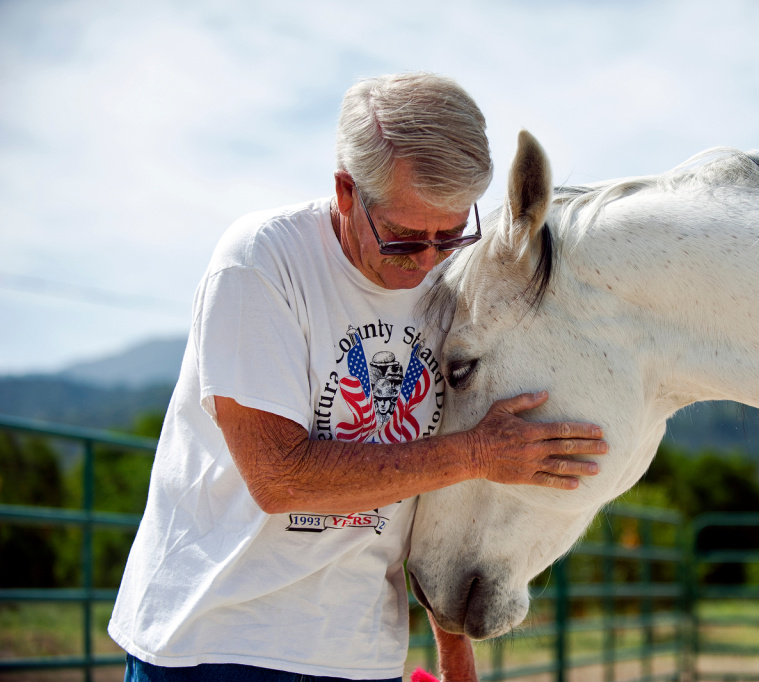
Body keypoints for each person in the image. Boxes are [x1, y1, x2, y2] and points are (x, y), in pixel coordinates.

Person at [108, 72, 607, 682]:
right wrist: (479, 452)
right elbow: (281, 477)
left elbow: (425, 476)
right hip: (216, 642)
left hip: (361, 652)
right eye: (403, 238)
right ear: (346, 192)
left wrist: (454, 654)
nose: (428, 260)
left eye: (451, 234)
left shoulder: (445, 289)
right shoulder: (261, 263)